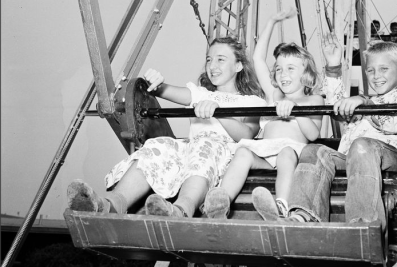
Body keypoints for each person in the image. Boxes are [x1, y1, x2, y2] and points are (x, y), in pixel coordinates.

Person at [67, 37, 267, 218]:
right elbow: (166, 91)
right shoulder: (200, 94)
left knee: (205, 147)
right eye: (208, 59)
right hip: (190, 147)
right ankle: (111, 203)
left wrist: (219, 113)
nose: (212, 65)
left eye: (220, 59)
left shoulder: (251, 101)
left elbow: (247, 134)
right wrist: (155, 83)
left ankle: (182, 209)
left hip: (221, 154)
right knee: (157, 146)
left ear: (239, 65)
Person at [251, 41, 397, 234]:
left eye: (384, 69)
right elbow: (338, 105)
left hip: (388, 156)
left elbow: (392, 124)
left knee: (361, 146)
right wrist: (333, 67)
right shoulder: (363, 101)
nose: (376, 76)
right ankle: (302, 216)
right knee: (313, 150)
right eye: (370, 71)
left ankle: (363, 223)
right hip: (351, 157)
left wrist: (363, 101)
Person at [203, 8, 324, 218]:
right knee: (242, 154)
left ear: (306, 73)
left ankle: (281, 207)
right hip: (265, 154)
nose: (283, 74)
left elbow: (313, 135)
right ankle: (220, 202)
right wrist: (271, 22)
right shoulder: (274, 94)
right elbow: (258, 58)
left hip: (292, 154)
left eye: (291, 68)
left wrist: (297, 112)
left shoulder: (313, 100)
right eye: (279, 69)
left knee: (286, 153)